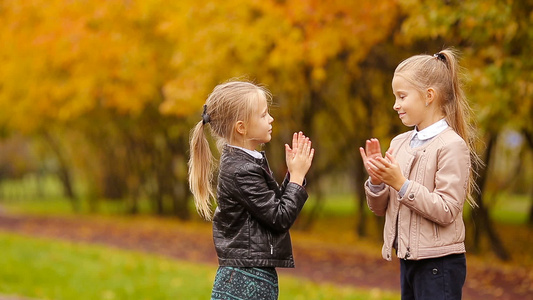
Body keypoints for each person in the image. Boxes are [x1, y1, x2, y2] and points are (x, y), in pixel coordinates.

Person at [359, 48, 482, 300]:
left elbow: (447, 210)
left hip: (440, 265)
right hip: (409, 260)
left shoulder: (451, 145)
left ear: (429, 96)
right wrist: (377, 181)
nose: (395, 105)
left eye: (402, 96)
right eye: (395, 96)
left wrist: (401, 184)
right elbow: (382, 209)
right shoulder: (399, 143)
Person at [188, 80, 315, 300]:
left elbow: (272, 207)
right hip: (245, 279)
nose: (271, 119)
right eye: (264, 114)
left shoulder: (247, 163)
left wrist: (292, 175)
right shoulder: (241, 170)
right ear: (241, 127)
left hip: (250, 274)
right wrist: (297, 177)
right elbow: (280, 217)